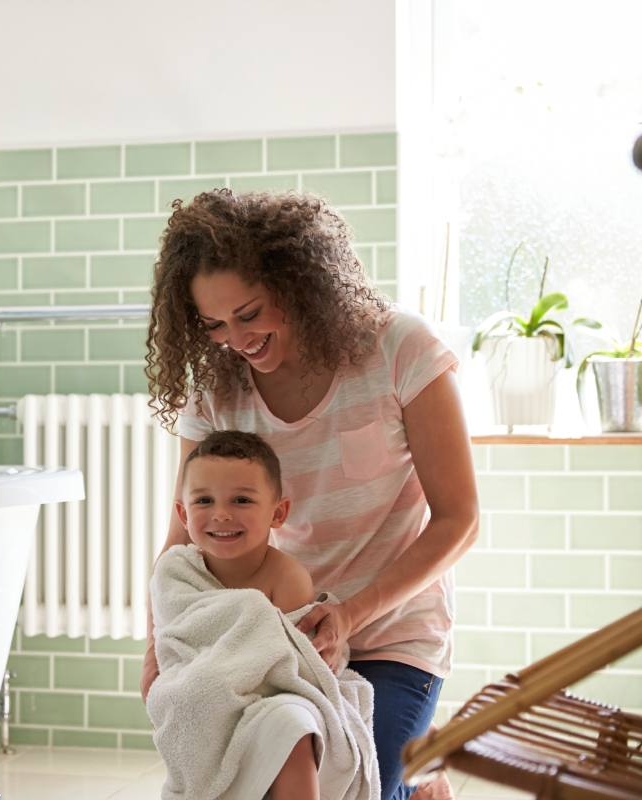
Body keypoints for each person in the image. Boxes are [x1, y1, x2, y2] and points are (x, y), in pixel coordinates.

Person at [142, 189, 479, 800]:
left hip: (395, 632)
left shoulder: (400, 349)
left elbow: (460, 519)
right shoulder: (218, 385)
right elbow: (181, 535)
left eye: (250, 313)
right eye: (213, 324)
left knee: (363, 785)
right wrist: (156, 646)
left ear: (298, 285)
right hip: (279, 636)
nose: (236, 339)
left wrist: (351, 612)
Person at [153, 429, 323, 800]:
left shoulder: (288, 577)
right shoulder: (175, 572)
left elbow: (294, 664)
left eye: (242, 500)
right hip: (203, 698)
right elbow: (175, 647)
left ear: (278, 513)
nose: (222, 515)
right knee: (191, 695)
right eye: (204, 501)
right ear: (183, 513)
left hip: (271, 699)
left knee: (294, 725)